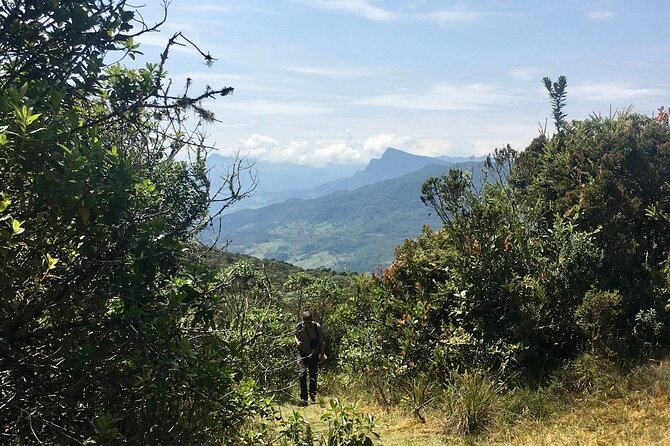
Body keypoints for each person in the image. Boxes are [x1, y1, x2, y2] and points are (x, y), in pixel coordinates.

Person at [295, 311, 325, 406]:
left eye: (309, 322)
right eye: (306, 322)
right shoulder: (299, 326)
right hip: (302, 352)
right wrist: (297, 342)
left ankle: (312, 395)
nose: (307, 324)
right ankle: (304, 398)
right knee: (302, 374)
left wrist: (321, 354)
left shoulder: (317, 327)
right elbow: (295, 336)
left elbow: (321, 342)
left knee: (313, 374)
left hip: (314, 353)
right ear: (303, 321)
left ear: (312, 320)